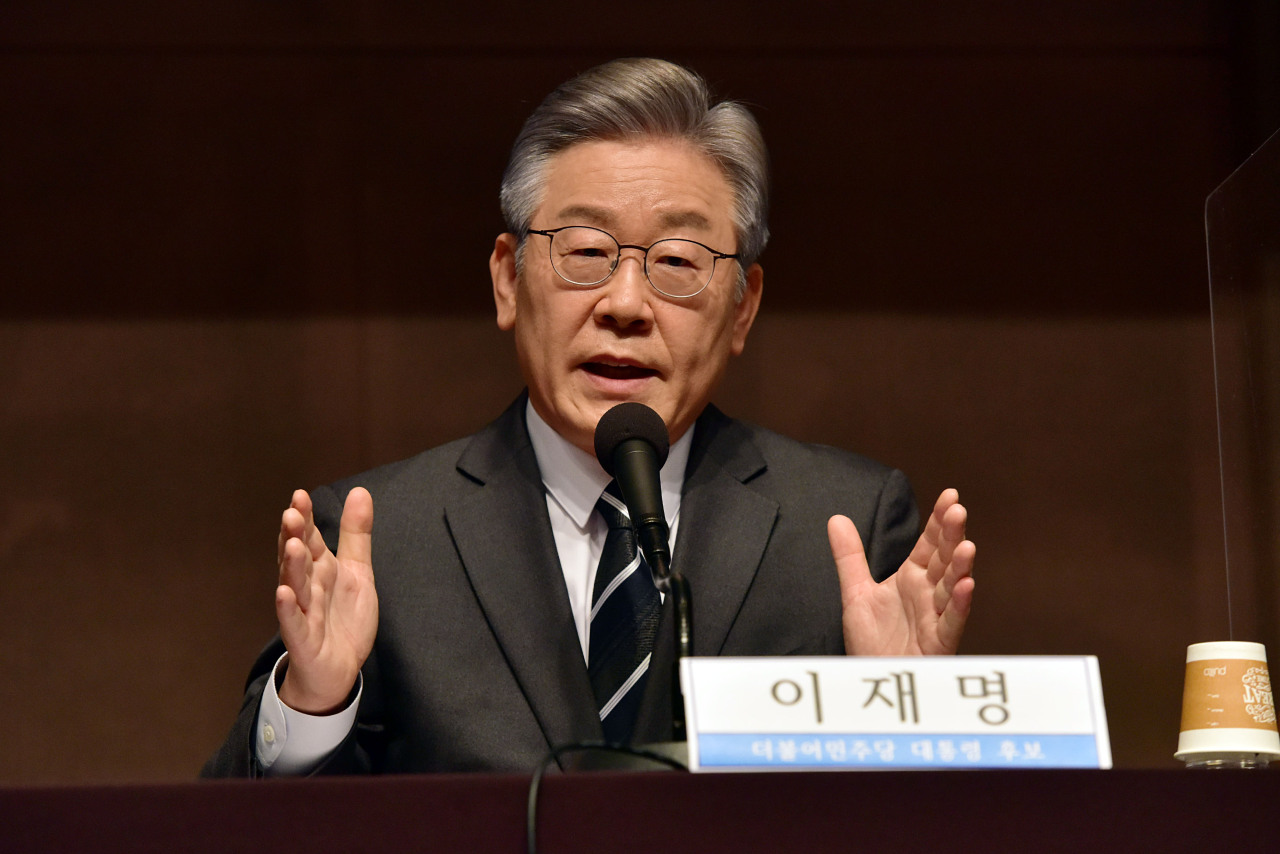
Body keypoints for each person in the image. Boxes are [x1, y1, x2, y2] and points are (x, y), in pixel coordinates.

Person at [203, 57, 975, 777]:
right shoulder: (383, 539)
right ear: (508, 280)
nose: (627, 305)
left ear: (743, 308)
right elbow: (224, 825)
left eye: (676, 262)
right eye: (584, 252)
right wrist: (316, 705)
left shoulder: (844, 527)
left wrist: (914, 722)